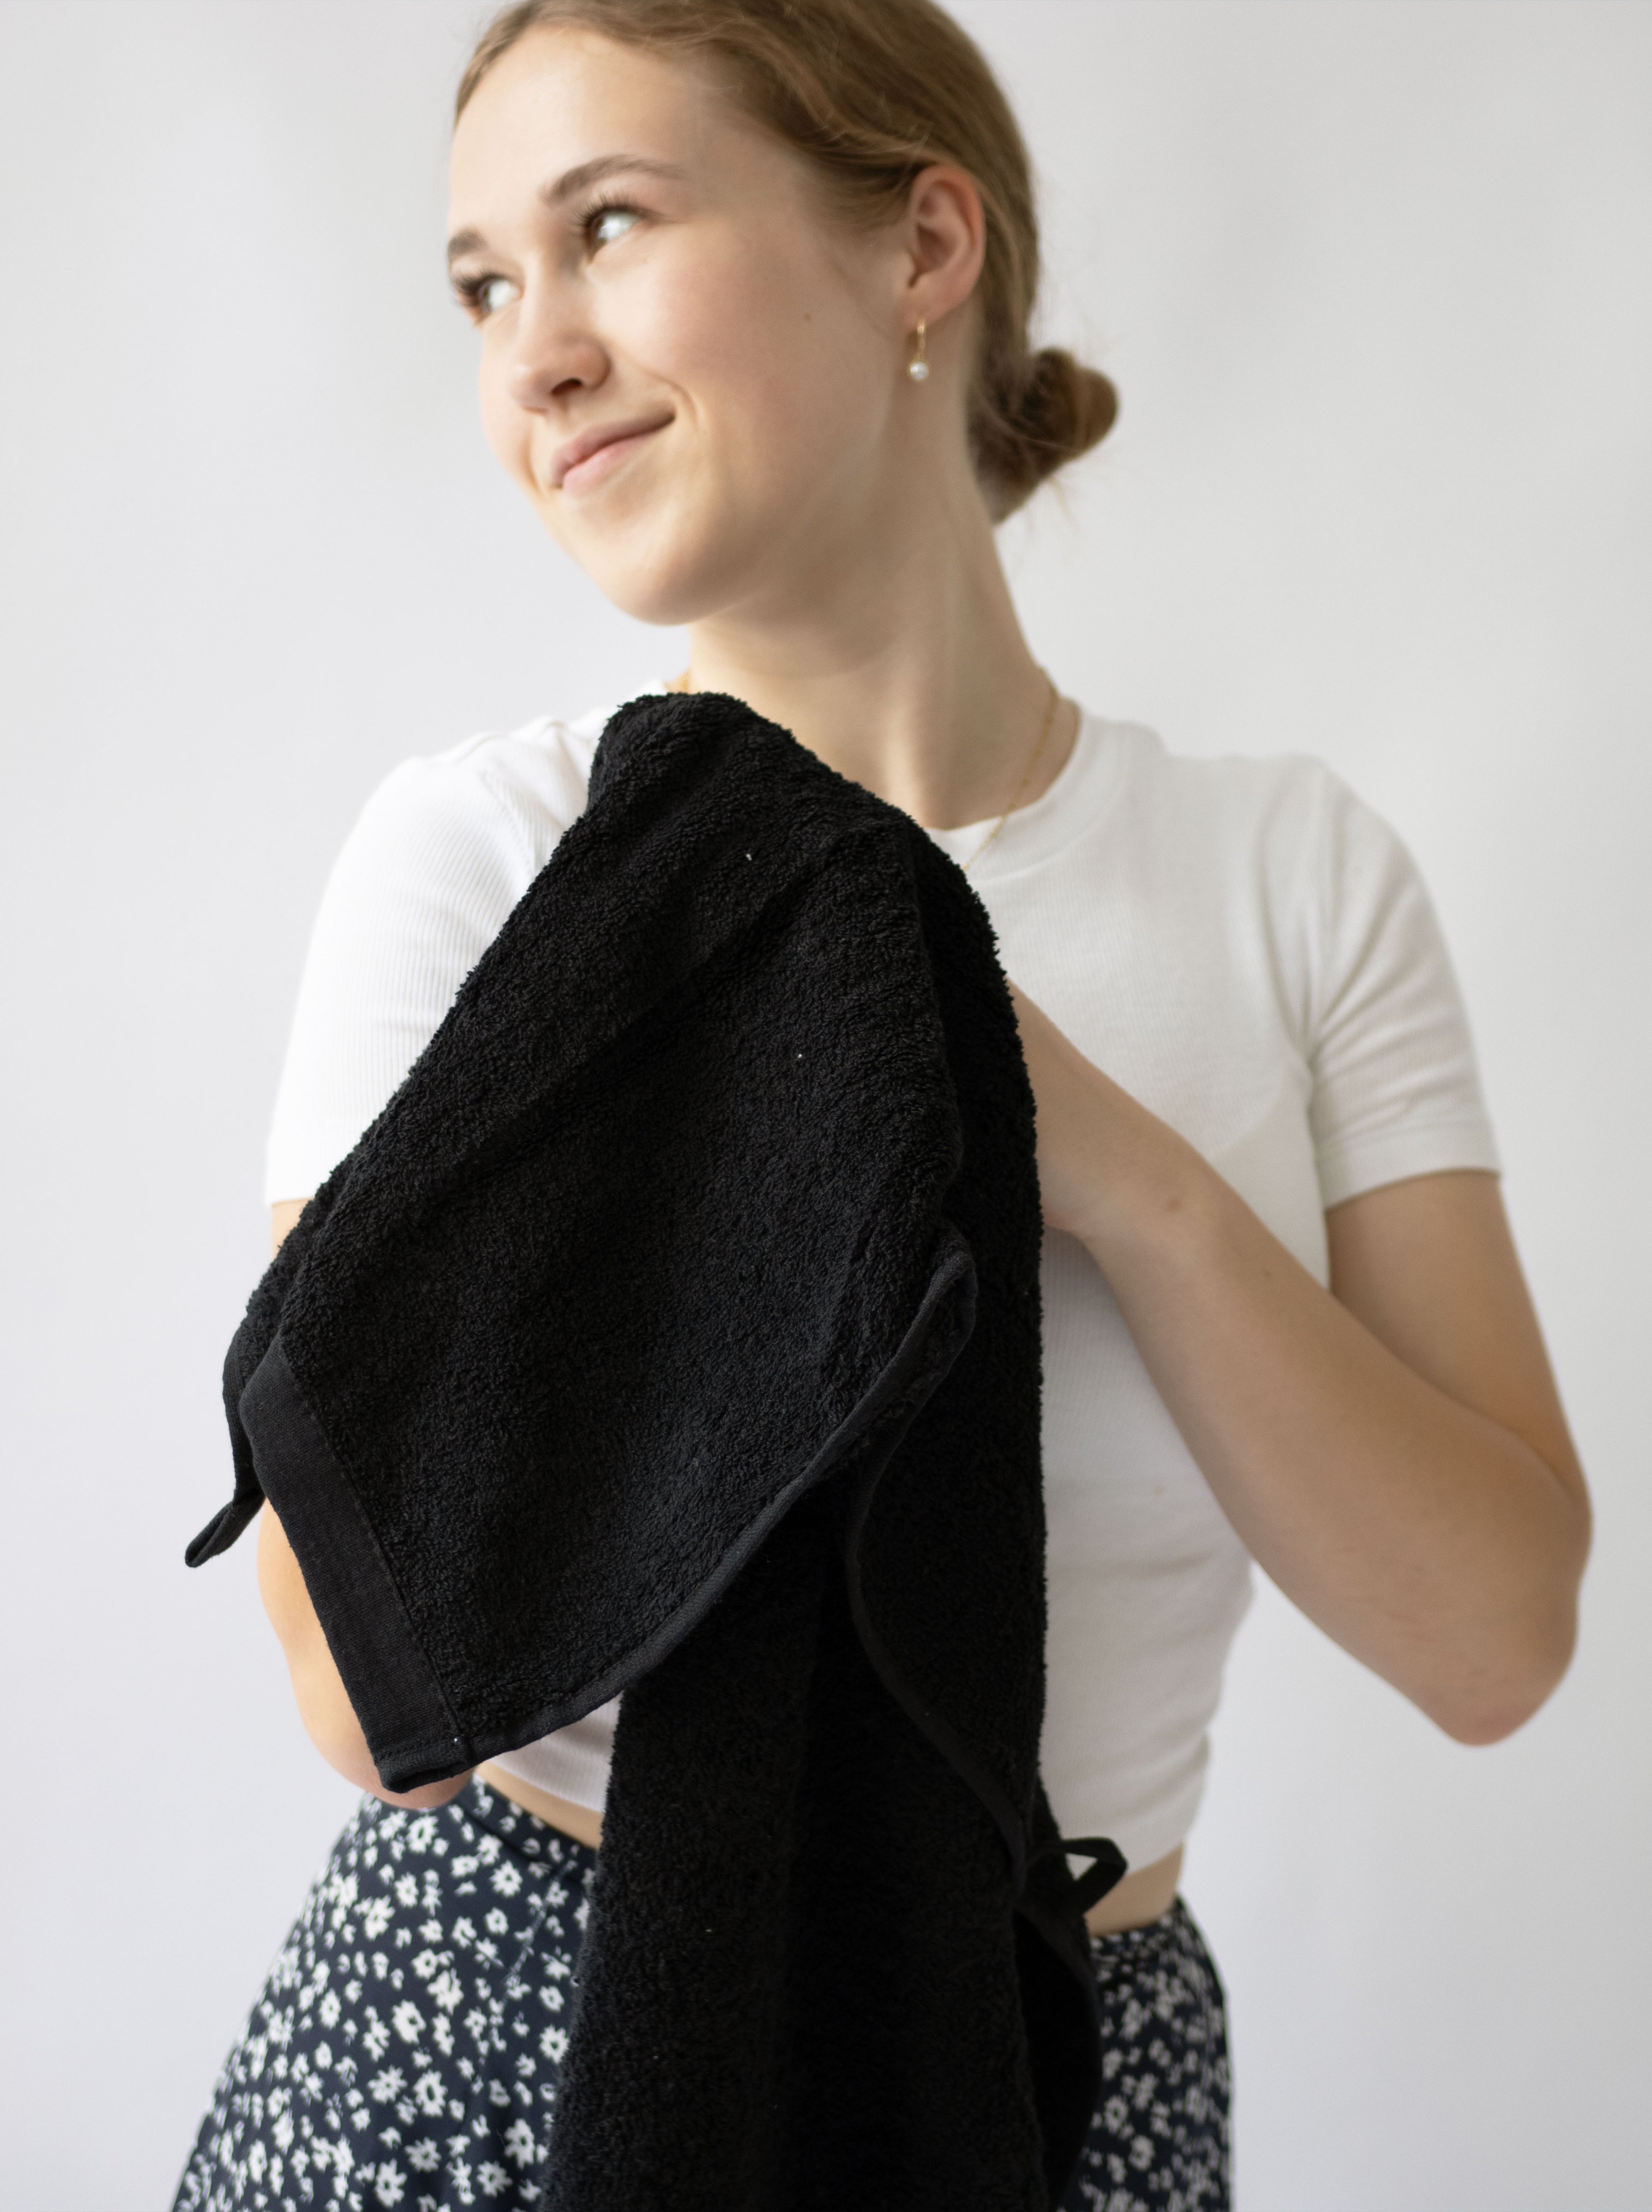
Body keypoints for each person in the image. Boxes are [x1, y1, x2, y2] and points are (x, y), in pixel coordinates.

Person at [173, 1, 1591, 2204]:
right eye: (481, 285)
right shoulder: (485, 861)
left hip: (1077, 2071)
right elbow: (362, 1684)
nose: (531, 355)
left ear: (924, 244)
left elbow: (1498, 1636)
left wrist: (1115, 1174)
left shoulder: (1289, 881)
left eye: (609, 226)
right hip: (507, 2039)